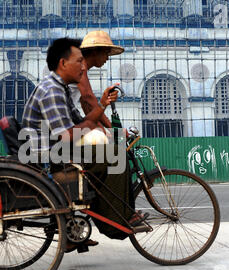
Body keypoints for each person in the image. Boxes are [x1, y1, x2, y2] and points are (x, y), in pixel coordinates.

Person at [21, 38, 149, 253]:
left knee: (109, 147)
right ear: (63, 64)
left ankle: (104, 215)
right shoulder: (52, 90)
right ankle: (116, 220)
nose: (83, 67)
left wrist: (103, 107)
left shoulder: (59, 88)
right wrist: (103, 133)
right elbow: (69, 136)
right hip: (49, 157)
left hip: (56, 149)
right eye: (79, 61)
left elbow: (82, 123)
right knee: (115, 155)